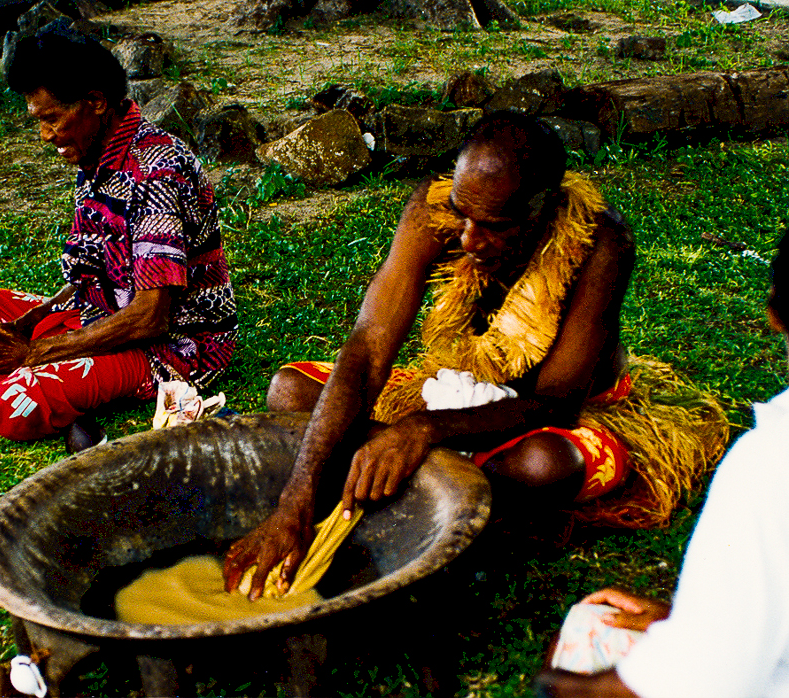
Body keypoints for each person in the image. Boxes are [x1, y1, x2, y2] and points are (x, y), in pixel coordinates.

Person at [223, 111, 726, 600]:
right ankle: (432, 477)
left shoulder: (600, 240)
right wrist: (295, 499)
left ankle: (399, 469)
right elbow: (369, 346)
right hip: (449, 387)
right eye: (463, 216)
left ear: (542, 209)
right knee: (290, 391)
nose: (468, 239)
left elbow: (556, 403)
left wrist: (423, 430)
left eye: (494, 225)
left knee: (545, 467)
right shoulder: (437, 206)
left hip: (553, 419)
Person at [0, 22, 237, 451]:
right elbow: (89, 275)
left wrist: (35, 353)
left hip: (173, 348)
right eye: (39, 121)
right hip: (109, 315)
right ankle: (45, 362)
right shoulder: (96, 157)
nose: (45, 136)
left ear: (95, 101)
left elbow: (152, 317)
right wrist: (21, 327)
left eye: (52, 119)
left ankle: (45, 376)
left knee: (12, 402)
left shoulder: (154, 171)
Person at [533, 231, 789, 697]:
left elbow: (713, 678)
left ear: (774, 314)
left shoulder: (772, 463)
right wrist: (694, 621)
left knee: (582, 638)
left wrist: (557, 690)